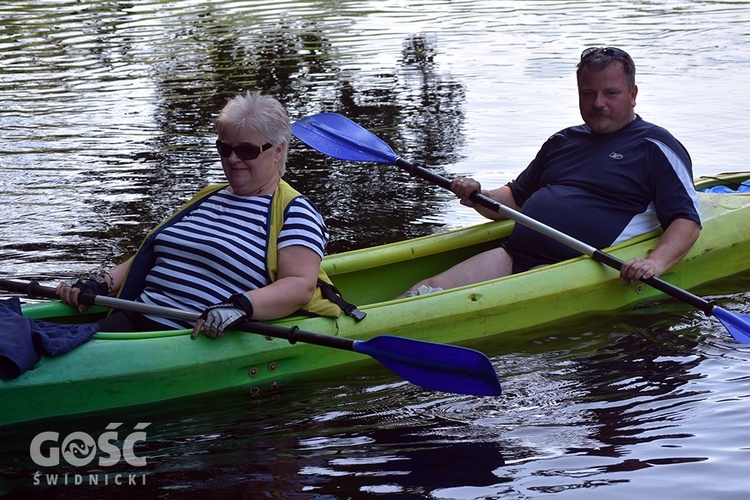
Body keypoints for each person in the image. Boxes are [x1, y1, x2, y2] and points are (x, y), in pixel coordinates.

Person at [57, 91, 359, 338]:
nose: (232, 159)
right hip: (136, 318)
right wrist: (100, 283)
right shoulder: (210, 195)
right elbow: (151, 253)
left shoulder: (295, 211)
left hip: (190, 336)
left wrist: (241, 306)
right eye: (224, 149)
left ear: (278, 150)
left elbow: (299, 286)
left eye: (246, 151)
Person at [404, 47, 701, 296]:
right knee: (424, 290)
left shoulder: (656, 146)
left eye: (610, 93)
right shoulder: (562, 141)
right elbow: (514, 199)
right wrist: (478, 194)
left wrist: (656, 264)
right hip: (514, 253)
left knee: (494, 300)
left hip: (575, 265)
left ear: (632, 94)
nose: (598, 103)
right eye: (588, 93)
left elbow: (685, 219)